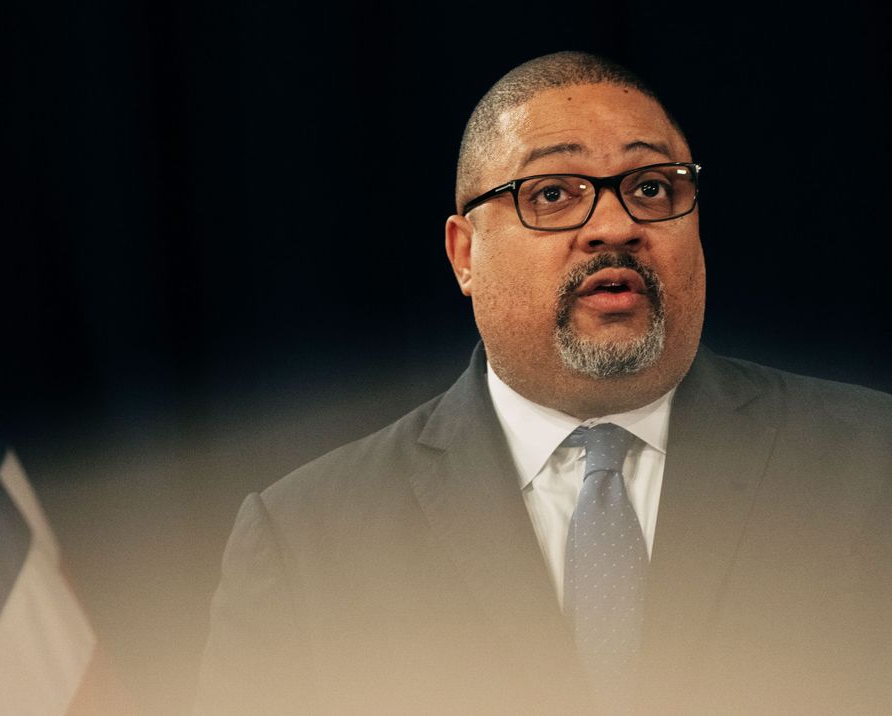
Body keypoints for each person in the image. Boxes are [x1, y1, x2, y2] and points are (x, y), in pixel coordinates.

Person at [195, 51, 892, 715]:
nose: (615, 226)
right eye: (553, 193)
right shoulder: (304, 543)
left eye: (652, 188)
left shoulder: (871, 466)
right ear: (465, 255)